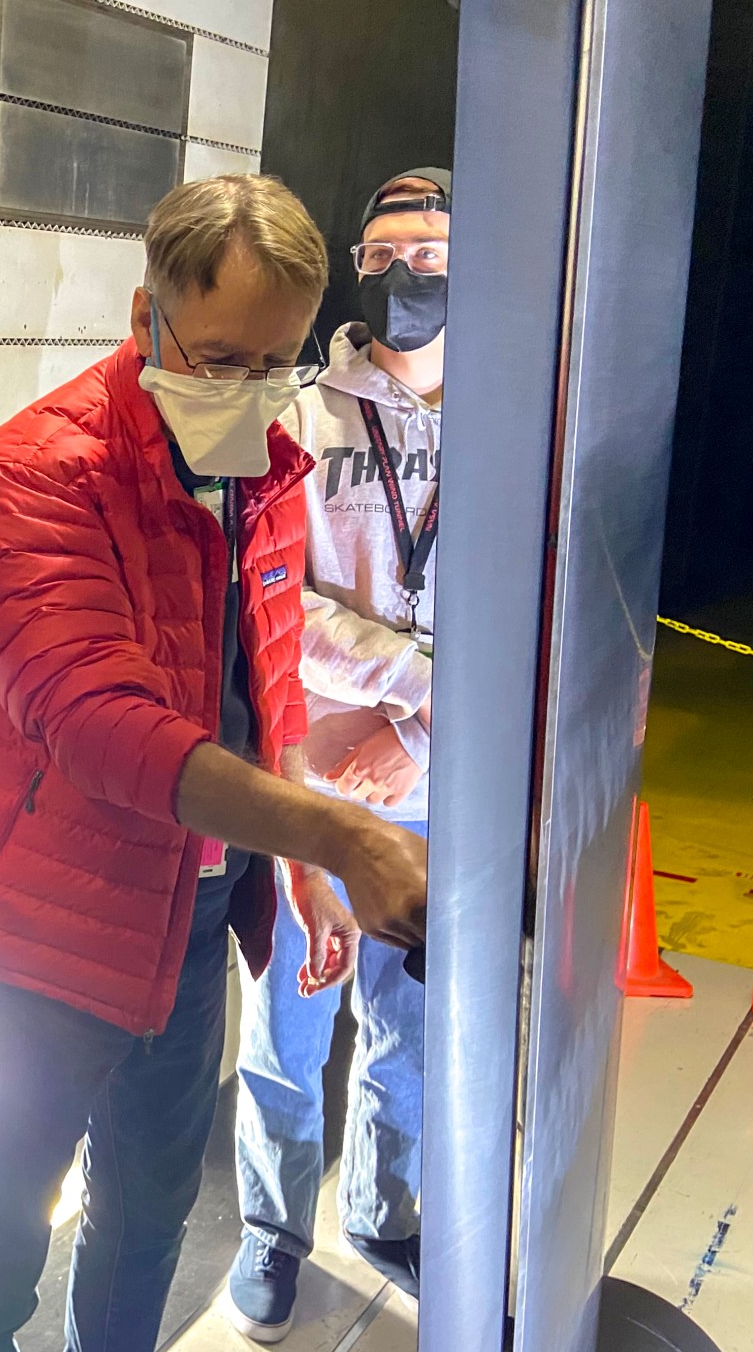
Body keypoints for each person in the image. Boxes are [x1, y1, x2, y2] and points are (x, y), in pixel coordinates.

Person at [0, 174, 429, 1352]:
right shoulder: (36, 476)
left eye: (274, 364)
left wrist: (295, 859)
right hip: (36, 941)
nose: (246, 393)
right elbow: (98, 722)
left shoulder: (263, 471)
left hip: (189, 929)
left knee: (146, 1219)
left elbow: (271, 674)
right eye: (213, 359)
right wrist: (338, 836)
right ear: (143, 315)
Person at [224, 169, 449, 1342]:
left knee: (405, 1023)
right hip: (312, 776)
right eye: (384, 255)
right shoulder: (302, 421)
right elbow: (279, 605)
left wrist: (418, 728)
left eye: (433, 253)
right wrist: (415, 688)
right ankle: (270, 1228)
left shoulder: (515, 430)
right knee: (285, 1021)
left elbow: (529, 608)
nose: (408, 274)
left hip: (425, 777)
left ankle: (382, 1211)